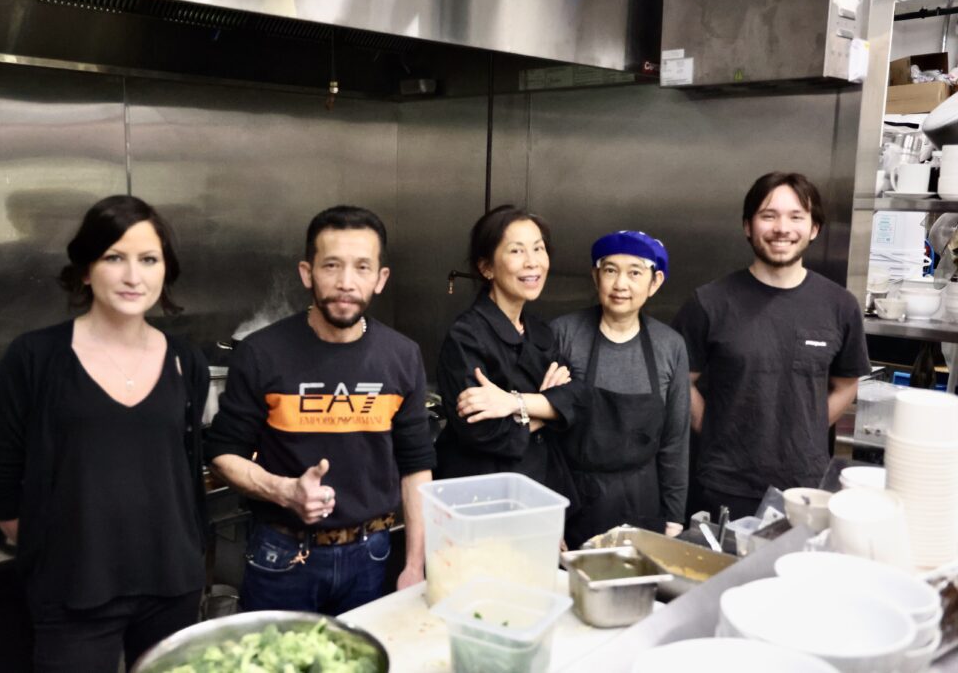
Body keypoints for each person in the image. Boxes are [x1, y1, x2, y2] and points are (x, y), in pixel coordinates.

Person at [0, 196, 209, 673]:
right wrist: (47, 542)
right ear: (85, 270)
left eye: (148, 260)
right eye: (113, 258)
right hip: (72, 591)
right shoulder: (35, 358)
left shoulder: (187, 360)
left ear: (165, 270)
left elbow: (186, 464)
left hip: (171, 583)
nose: (132, 276)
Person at [205, 205, 434, 615]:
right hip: (282, 554)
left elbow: (416, 465)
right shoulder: (261, 353)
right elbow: (223, 455)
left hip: (373, 555)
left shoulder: (402, 356)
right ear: (307, 273)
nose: (346, 283)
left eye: (362, 267)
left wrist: (415, 564)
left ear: (380, 279)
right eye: (332, 265)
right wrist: (285, 491)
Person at [672, 172, 871, 520]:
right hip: (724, 485)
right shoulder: (710, 302)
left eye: (796, 216)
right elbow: (679, 381)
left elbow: (846, 383)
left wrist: (805, 428)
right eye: (769, 215)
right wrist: (718, 429)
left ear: (814, 229)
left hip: (805, 487)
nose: (782, 228)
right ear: (748, 226)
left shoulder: (839, 305)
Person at [552, 231, 690, 548]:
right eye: (610, 270)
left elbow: (675, 441)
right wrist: (548, 517)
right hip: (573, 500)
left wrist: (674, 517)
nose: (620, 285)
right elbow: (543, 440)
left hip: (643, 500)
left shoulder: (670, 346)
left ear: (655, 283)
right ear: (595, 276)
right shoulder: (564, 334)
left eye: (634, 273)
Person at [434, 205, 579, 496]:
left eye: (538, 249)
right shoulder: (466, 335)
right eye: (517, 251)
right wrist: (546, 410)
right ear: (486, 267)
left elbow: (575, 402)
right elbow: (482, 431)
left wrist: (513, 404)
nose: (532, 262)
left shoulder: (540, 331)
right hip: (481, 493)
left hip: (538, 484)